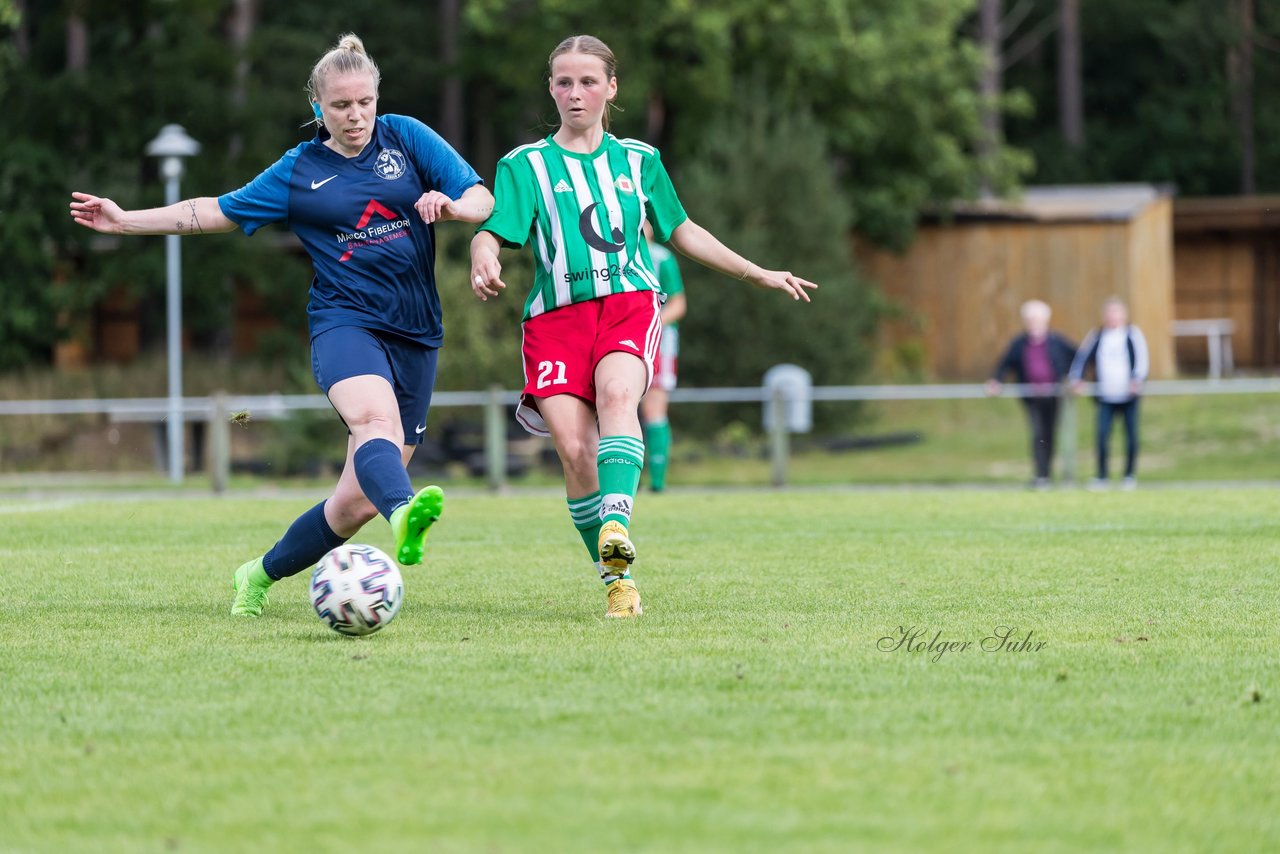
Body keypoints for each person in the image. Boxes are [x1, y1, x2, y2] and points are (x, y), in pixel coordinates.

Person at [70, 34, 494, 616]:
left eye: (365, 101)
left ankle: (258, 573)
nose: (356, 115)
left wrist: (452, 207)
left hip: (418, 331)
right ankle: (406, 514)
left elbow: (480, 197)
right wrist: (125, 223)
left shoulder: (407, 136)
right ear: (318, 108)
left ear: (377, 97)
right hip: (345, 323)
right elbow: (214, 210)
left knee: (351, 506)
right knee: (376, 425)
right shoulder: (300, 171)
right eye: (341, 105)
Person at [469, 34, 816, 618]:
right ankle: (616, 580)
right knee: (576, 451)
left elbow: (682, 230)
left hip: (628, 302)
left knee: (619, 395)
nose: (574, 94)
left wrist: (754, 272)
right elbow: (495, 227)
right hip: (553, 321)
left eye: (587, 82)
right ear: (551, 89)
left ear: (611, 88)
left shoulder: (640, 160)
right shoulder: (523, 165)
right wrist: (483, 254)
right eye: (563, 82)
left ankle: (615, 522)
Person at [986, 300, 1077, 488]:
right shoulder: (1020, 343)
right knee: (1038, 433)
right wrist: (996, 381)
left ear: (1045, 320)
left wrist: (1073, 378)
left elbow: (1077, 358)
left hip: (1053, 395)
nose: (1033, 322)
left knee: (1049, 434)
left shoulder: (1056, 341)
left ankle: (1048, 473)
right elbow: (1005, 364)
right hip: (1031, 397)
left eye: (1036, 318)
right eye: (1030, 319)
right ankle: (1040, 475)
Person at [1070, 297, 1149, 490]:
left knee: (1131, 436)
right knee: (1102, 435)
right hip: (1105, 397)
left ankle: (1129, 476)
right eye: (1109, 313)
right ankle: (1102, 476)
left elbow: (1142, 359)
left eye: (1117, 312)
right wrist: (1077, 380)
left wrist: (1136, 380)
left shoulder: (1132, 334)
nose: (1113, 317)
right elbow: (1082, 359)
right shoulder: (1097, 335)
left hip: (1128, 397)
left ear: (1124, 315)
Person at [640, 220, 687, 493]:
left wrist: (650, 322)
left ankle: (658, 482)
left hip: (659, 342)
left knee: (653, 409)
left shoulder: (661, 257)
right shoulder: (609, 255)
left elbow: (678, 304)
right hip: (623, 336)